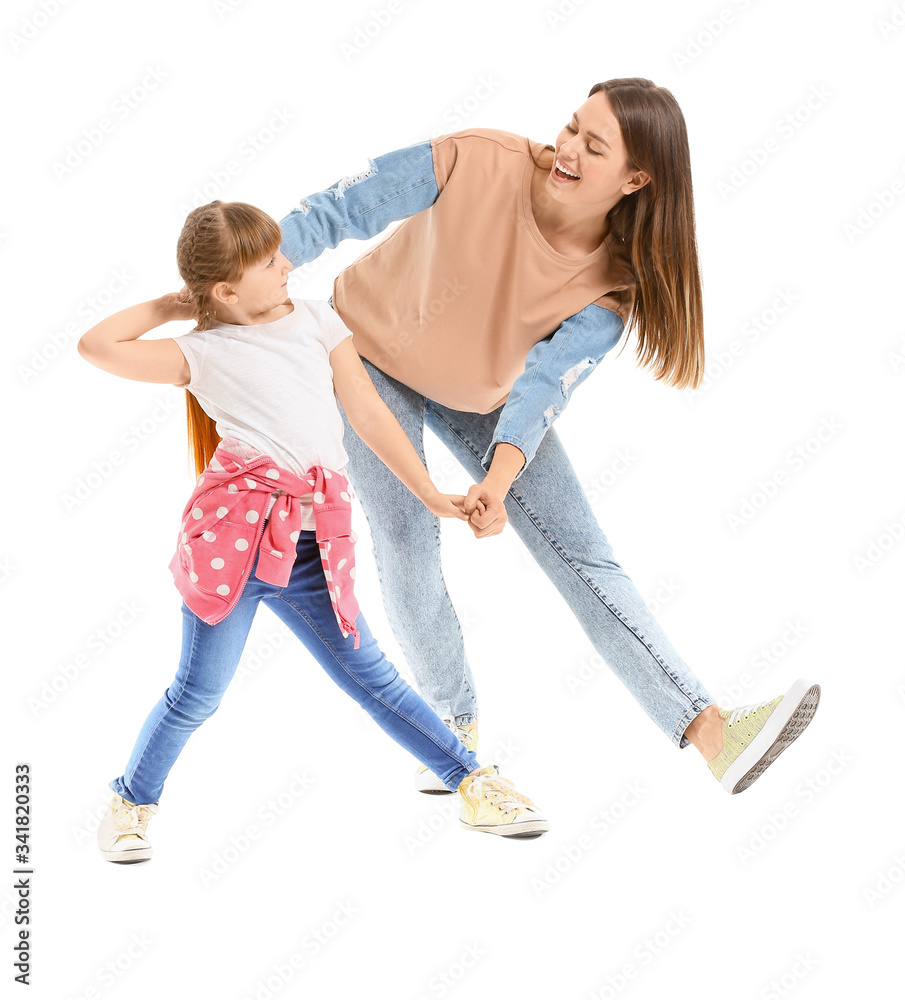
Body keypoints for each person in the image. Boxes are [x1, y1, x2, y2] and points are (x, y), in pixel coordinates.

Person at [276, 77, 821, 796]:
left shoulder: (611, 285)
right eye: (571, 128)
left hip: (483, 394)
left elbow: (543, 387)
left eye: (593, 147)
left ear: (635, 179)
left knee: (583, 554)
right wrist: (246, 274)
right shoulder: (476, 158)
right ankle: (447, 727)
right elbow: (342, 208)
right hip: (361, 354)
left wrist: (498, 482)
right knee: (406, 534)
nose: (566, 149)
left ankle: (711, 732)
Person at [78, 200, 549, 863]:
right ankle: (130, 804)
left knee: (371, 676)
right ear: (225, 290)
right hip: (234, 545)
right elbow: (96, 347)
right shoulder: (200, 352)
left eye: (279, 253)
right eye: (268, 262)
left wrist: (427, 493)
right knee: (198, 693)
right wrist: (171, 304)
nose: (285, 266)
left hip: (312, 546)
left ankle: (473, 783)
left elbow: (367, 413)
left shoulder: (315, 320)